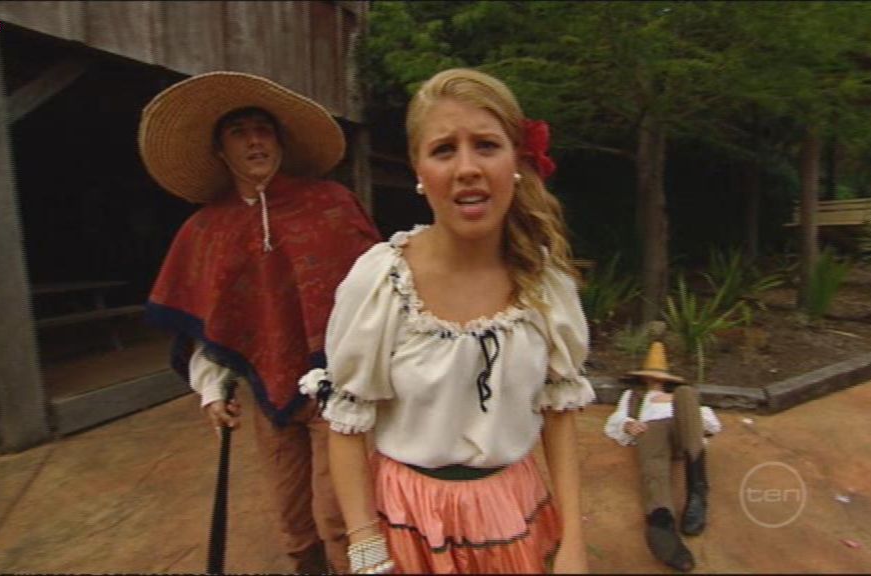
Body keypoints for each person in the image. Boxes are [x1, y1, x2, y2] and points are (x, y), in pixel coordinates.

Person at [298, 68, 594, 574]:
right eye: (443, 150)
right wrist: (366, 547)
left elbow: (559, 416)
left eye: (486, 145)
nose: (467, 168)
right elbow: (345, 426)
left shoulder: (545, 284)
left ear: (516, 160)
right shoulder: (382, 284)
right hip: (406, 524)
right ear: (418, 168)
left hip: (513, 513)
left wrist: (574, 542)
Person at [138, 71, 381, 574]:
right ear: (220, 152)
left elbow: (379, 289)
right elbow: (207, 319)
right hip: (269, 396)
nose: (254, 140)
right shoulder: (208, 229)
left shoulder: (330, 204)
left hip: (339, 389)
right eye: (239, 132)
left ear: (280, 142)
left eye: (263, 129)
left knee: (339, 515)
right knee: (293, 520)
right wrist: (213, 390)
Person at [603, 342, 722, 572]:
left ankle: (697, 493)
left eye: (658, 377)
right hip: (652, 434)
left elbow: (710, 422)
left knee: (687, 394)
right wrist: (628, 424)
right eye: (650, 377)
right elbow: (616, 419)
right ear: (643, 378)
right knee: (651, 442)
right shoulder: (634, 396)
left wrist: (689, 417)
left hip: (681, 435)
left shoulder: (676, 395)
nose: (654, 381)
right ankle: (661, 520)